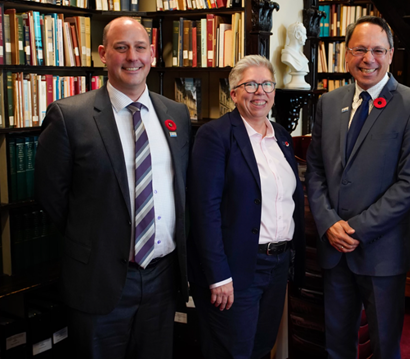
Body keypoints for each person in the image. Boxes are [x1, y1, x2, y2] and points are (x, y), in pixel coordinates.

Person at [34, 17, 191, 359]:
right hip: (98, 280)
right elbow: (51, 195)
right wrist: (96, 240)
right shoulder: (69, 116)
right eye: (121, 48)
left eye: (140, 47)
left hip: (162, 279)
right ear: (104, 54)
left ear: (152, 55)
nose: (132, 57)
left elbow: (180, 188)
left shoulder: (176, 114)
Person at [305, 16, 410, 359]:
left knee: (384, 346)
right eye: (360, 49)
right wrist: (328, 223)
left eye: (378, 50)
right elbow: (316, 170)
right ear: (346, 55)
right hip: (334, 250)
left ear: (391, 54)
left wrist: (355, 229)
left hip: (382, 253)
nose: (369, 58)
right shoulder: (329, 103)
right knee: (337, 345)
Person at [187, 54, 305, 359]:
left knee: (261, 347)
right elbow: (205, 211)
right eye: (250, 84)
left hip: (277, 265)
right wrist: (218, 276)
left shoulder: (280, 135)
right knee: (233, 351)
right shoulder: (214, 136)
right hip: (237, 268)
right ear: (233, 93)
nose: (260, 92)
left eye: (267, 84)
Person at [281, 22, 310, 89]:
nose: (306, 37)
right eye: (304, 35)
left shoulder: (302, 56)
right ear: (297, 35)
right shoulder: (287, 55)